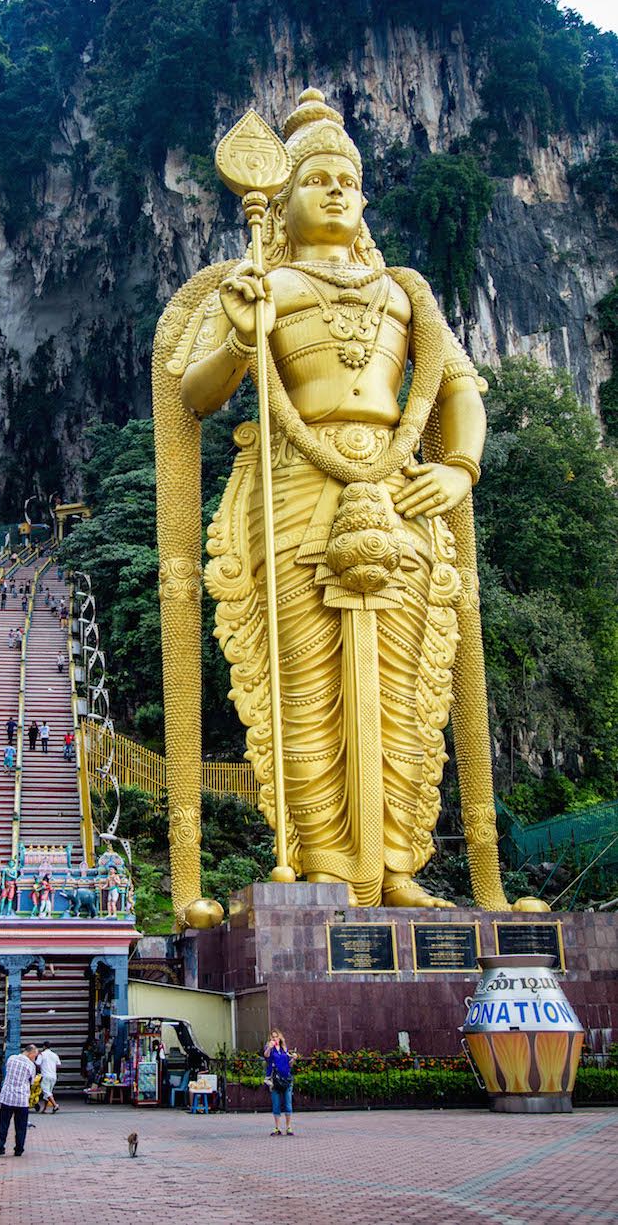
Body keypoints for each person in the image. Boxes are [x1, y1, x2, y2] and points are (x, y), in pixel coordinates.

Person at [155, 86, 508, 918]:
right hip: (293, 491)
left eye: (348, 179)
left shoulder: (406, 293)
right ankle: (323, 866)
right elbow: (194, 395)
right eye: (316, 179)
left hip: (400, 491)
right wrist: (242, 333)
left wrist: (459, 467)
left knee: (406, 684)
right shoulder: (260, 282)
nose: (337, 191)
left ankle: (393, 866)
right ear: (280, 202)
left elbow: (459, 389)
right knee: (303, 683)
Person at [0, 1044, 39, 1158]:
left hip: (7, 1097)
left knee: (3, 1124)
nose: (34, 1058)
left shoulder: (11, 1058)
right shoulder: (31, 1065)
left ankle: (0, 1147)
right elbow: (31, 1081)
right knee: (21, 1126)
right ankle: (19, 1149)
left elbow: (7, 1071)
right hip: (21, 1099)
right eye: (34, 1056)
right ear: (31, 1053)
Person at [265, 1034, 296, 1136]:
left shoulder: (284, 1049)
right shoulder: (270, 1049)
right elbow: (266, 1055)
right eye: (272, 1037)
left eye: (276, 1037)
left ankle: (288, 1127)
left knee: (288, 1104)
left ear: (280, 1038)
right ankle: (277, 1127)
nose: (274, 1039)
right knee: (276, 1104)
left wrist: (293, 1059)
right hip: (275, 1080)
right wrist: (270, 1047)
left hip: (286, 1079)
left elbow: (289, 1064)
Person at [37, 1042, 61, 1113]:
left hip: (45, 1075)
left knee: (46, 1092)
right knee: (48, 1093)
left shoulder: (42, 1054)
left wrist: (42, 1067)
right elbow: (58, 1065)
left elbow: (38, 1063)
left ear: (44, 1047)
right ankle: (44, 1109)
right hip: (53, 1076)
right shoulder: (55, 1055)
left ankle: (55, 1105)